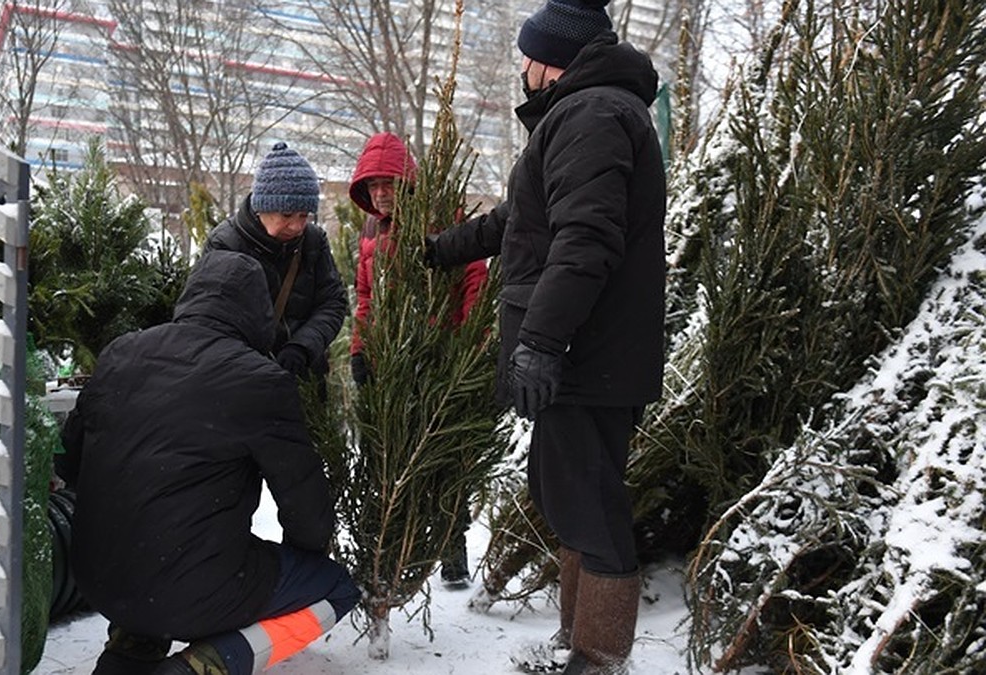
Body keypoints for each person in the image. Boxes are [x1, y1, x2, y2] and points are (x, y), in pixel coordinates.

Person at [423, 0, 666, 672]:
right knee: (570, 493)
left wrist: (541, 341)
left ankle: (597, 653)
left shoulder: (592, 115)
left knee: (587, 499)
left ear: (550, 59)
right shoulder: (585, 115)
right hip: (588, 354)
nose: (521, 69)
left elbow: (585, 241)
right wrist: (444, 248)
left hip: (587, 354)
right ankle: (578, 639)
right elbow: (521, 218)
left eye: (526, 57)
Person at [60, 249, 359, 675]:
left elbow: (70, 461)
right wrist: (305, 557)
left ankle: (131, 647)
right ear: (259, 311)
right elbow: (302, 498)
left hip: (96, 576)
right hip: (188, 585)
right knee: (337, 588)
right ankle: (200, 667)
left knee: (167, 560)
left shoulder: (121, 353)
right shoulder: (260, 380)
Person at [346, 130, 488, 589]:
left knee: (444, 455)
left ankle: (452, 549)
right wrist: (360, 349)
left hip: (439, 355)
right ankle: (396, 549)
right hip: (392, 360)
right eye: (373, 187)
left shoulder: (442, 220)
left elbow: (473, 280)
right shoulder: (372, 233)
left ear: (408, 183)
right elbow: (366, 296)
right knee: (394, 455)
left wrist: (468, 342)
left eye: (389, 183)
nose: (381, 194)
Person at [202, 142, 347, 394]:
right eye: (287, 214)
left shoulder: (314, 241)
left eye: (304, 215)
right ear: (262, 207)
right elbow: (208, 320)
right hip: (240, 385)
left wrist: (302, 346)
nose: (297, 226)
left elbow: (333, 302)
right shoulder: (225, 243)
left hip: (303, 379)